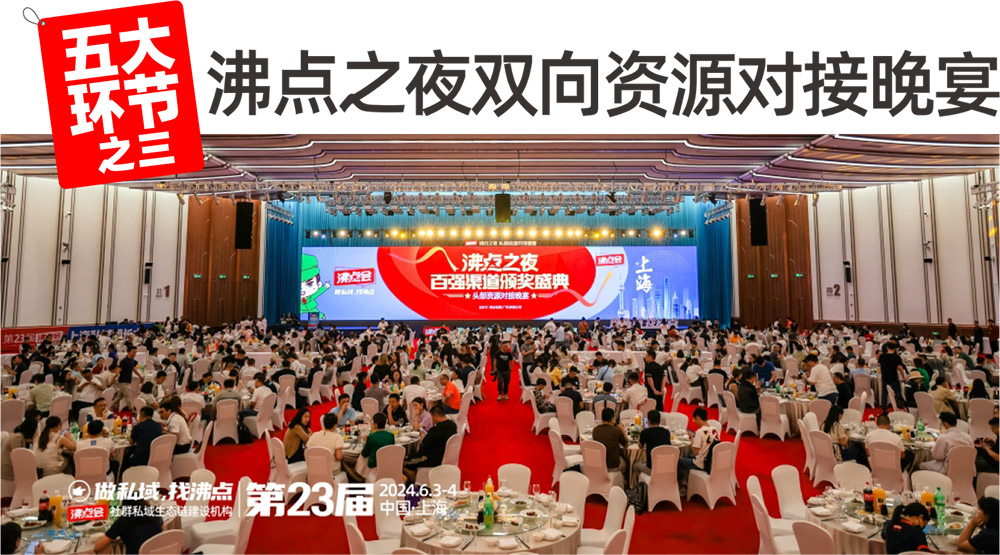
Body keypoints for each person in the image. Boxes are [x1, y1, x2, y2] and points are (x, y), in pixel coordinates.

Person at [403, 405, 458, 482]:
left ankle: (417, 480)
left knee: (403, 462)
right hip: (446, 456)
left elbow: (424, 445)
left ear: (435, 416)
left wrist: (423, 437)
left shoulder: (436, 430)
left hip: (433, 459)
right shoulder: (453, 425)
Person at [91, 498, 163, 554]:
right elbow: (163, 532)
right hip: (159, 552)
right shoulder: (155, 514)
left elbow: (97, 548)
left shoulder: (123, 521)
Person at [678, 407, 719, 481]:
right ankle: (686, 480)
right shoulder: (715, 430)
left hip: (701, 464)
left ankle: (681, 482)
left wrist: (691, 438)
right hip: (711, 462)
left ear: (698, 418)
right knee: (689, 456)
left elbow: (695, 452)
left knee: (679, 461)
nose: (695, 422)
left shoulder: (700, 432)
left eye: (694, 419)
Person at [635, 409, 671, 476]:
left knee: (636, 465)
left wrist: (642, 431)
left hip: (652, 468)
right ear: (660, 421)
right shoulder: (666, 432)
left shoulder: (645, 432)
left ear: (648, 421)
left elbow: (640, 446)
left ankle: (643, 481)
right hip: (666, 466)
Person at [591, 408, 628, 473]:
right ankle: (621, 478)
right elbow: (626, 445)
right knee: (626, 462)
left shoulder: (595, 430)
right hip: (613, 465)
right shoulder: (616, 431)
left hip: (599, 464)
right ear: (612, 419)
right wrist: (623, 430)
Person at [879, 343, 906, 413]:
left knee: (884, 393)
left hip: (885, 376)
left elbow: (879, 364)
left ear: (887, 348)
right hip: (894, 376)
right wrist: (903, 377)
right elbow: (900, 368)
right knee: (897, 393)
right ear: (895, 349)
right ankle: (899, 407)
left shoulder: (882, 356)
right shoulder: (896, 357)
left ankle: (884, 409)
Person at [112, 346, 138, 411]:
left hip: (128, 380)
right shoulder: (124, 361)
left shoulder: (132, 361)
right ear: (129, 352)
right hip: (123, 381)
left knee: (119, 397)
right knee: (128, 395)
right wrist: (113, 378)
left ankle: (111, 407)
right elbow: (118, 370)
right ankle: (132, 410)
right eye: (133, 352)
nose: (135, 354)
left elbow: (134, 369)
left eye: (135, 352)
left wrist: (140, 376)